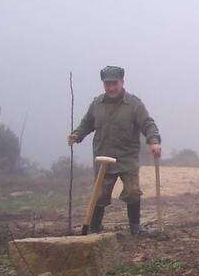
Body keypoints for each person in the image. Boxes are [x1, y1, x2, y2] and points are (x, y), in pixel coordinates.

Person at [68, 66, 161, 235]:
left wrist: (154, 141)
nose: (111, 88)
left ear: (122, 82)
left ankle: (135, 228)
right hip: (103, 157)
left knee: (133, 192)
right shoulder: (97, 103)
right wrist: (76, 135)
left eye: (114, 84)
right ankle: (94, 229)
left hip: (127, 157)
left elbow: (148, 124)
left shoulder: (134, 104)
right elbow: (87, 123)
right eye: (107, 84)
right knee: (100, 194)